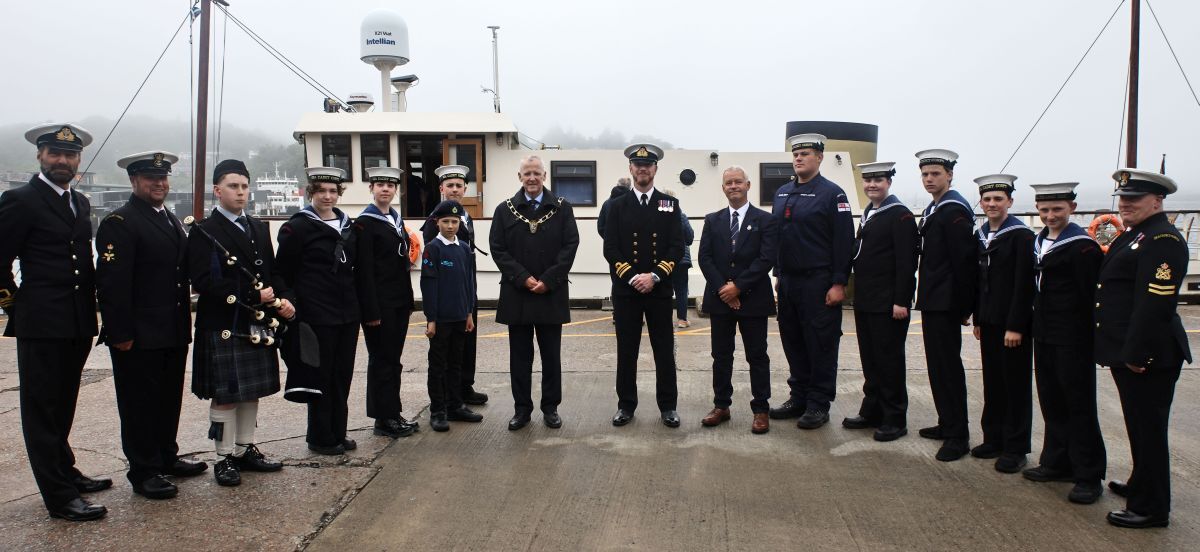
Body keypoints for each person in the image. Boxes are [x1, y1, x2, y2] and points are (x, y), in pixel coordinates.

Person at [0, 123, 108, 521]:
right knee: (42, 409)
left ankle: (65, 470)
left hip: (77, 321)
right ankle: (59, 496)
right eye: (54, 154)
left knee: (64, 404)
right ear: (40, 156)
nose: (62, 161)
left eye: (70, 155)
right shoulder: (20, 200)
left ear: (78, 160)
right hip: (41, 323)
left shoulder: (79, 203)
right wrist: (17, 307)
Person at [96, 151, 207, 501]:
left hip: (172, 329)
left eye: (162, 178)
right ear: (134, 181)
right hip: (138, 334)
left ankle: (165, 457)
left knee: (167, 399)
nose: (158, 184)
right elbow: (111, 285)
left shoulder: (169, 219)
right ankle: (143, 470)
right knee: (138, 404)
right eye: (150, 178)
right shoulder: (120, 222)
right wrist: (120, 333)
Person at [188, 158, 293, 487]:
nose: (241, 192)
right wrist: (251, 293)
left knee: (251, 393)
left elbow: (272, 272)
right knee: (227, 395)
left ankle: (245, 448)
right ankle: (223, 457)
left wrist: (284, 298)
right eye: (234, 186)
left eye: (245, 186)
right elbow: (202, 280)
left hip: (257, 322)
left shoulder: (259, 228)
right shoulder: (204, 232)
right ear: (218, 191)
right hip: (223, 320)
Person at [1097, 168, 1190, 529]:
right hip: (1129, 350)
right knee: (1138, 425)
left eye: (1133, 200)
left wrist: (1137, 353)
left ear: (1157, 201)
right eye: (1122, 200)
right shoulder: (1137, 235)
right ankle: (1141, 483)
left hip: (1149, 355)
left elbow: (1156, 304)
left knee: (1149, 428)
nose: (1125, 205)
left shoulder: (1162, 239)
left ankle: (1152, 507)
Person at [1023, 182, 1106, 505]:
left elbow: (1089, 297)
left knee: (1079, 405)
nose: (1050, 215)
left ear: (1072, 208)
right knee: (1052, 399)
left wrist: (1091, 338)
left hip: (1073, 336)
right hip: (1044, 333)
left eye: (1057, 209)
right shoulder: (1040, 241)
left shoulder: (1082, 247)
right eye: (1044, 210)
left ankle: (1088, 474)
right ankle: (1057, 461)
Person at [768, 134, 854, 429]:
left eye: (805, 153)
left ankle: (818, 403)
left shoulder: (833, 194)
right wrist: (778, 275)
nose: (799, 158)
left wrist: (839, 282)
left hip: (819, 281)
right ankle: (799, 397)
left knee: (821, 343)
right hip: (789, 282)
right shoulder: (782, 193)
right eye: (796, 154)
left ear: (819, 157)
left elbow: (844, 241)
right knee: (793, 340)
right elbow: (778, 237)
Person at [488, 155, 580, 430]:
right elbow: (497, 248)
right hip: (518, 294)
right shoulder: (505, 210)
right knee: (519, 357)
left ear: (544, 176)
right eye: (526, 173)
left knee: (551, 356)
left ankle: (550, 408)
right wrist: (524, 278)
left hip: (550, 293)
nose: (531, 178)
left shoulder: (562, 209)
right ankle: (522, 410)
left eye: (536, 173)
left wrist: (548, 280)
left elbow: (570, 245)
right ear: (519, 177)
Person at [275, 167, 360, 456]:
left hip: (347, 314)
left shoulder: (348, 226)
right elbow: (282, 273)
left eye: (333, 191)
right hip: (316, 315)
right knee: (320, 377)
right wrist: (291, 303)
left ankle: (339, 430)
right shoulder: (297, 228)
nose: (327, 196)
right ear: (311, 193)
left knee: (342, 375)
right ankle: (321, 436)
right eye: (321, 190)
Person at [603, 143, 684, 428]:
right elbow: (610, 248)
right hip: (627, 291)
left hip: (659, 290)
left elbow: (676, 246)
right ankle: (626, 405)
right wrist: (632, 277)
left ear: (655, 169)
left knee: (664, 351)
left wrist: (655, 276)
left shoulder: (669, 204)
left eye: (648, 165)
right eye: (638, 165)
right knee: (627, 351)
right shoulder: (615, 206)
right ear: (630, 169)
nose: (642, 169)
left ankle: (668, 407)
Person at [697, 166, 778, 434]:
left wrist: (739, 288)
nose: (734, 186)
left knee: (757, 356)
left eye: (738, 182)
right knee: (721, 356)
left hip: (753, 299)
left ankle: (761, 409)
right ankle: (721, 405)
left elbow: (766, 258)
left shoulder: (765, 220)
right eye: (729, 183)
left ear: (748, 185)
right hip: (721, 299)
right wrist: (724, 289)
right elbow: (704, 258)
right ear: (723, 188)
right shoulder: (712, 220)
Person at [844, 162, 918, 442]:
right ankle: (872, 410)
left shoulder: (900, 216)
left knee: (889, 362)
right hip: (866, 300)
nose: (872, 185)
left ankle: (895, 418)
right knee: (871, 361)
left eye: (878, 180)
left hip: (888, 303)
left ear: (889, 182)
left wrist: (901, 300)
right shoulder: (870, 213)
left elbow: (906, 262)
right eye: (868, 180)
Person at [912, 149, 977, 462]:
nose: (929, 179)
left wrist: (964, 307)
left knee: (948, 368)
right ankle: (946, 422)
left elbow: (964, 261)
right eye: (925, 174)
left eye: (935, 174)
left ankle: (958, 435)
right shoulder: (935, 207)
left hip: (947, 301)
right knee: (937, 366)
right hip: (934, 299)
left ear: (949, 175)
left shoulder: (953, 210)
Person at [971, 174, 1035, 473]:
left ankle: (1016, 446)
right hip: (990, 320)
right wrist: (978, 319)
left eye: (998, 199)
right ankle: (993, 437)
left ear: (1010, 202)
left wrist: (1016, 325)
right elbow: (980, 282)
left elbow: (1024, 284)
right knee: (993, 382)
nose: (992, 204)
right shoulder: (982, 233)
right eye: (987, 199)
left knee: (1015, 385)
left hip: (1012, 324)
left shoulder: (1021, 236)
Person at [355, 166, 419, 439]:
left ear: (397, 190)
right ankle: (383, 418)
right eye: (379, 184)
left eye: (390, 185)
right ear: (371, 189)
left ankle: (393, 412)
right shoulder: (365, 223)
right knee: (381, 360)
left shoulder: (395, 220)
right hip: (379, 306)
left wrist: (408, 302)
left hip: (398, 303)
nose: (385, 189)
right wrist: (370, 310)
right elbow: (364, 271)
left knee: (393, 360)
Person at [421, 165, 487, 406]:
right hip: (446, 298)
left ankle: (463, 387)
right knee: (444, 352)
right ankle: (446, 398)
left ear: (465, 189)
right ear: (441, 188)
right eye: (450, 185)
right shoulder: (435, 222)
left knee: (467, 343)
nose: (455, 189)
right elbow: (434, 267)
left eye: (459, 186)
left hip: (466, 292)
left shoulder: (465, 218)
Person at [663, 189, 695, 329]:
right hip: (681, 259)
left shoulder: (656, 216)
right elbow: (689, 238)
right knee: (681, 289)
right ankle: (682, 320)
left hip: (662, 260)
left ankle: (662, 319)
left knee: (664, 289)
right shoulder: (681, 216)